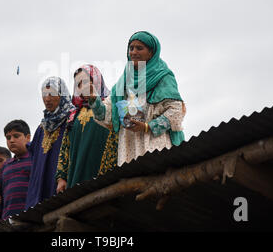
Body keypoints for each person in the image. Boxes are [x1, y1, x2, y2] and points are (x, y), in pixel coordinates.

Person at [88, 31, 186, 166]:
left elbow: (176, 111)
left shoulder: (163, 77)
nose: (133, 52)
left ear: (151, 52)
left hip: (154, 144)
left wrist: (147, 126)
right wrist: (94, 100)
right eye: (131, 48)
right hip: (128, 148)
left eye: (139, 48)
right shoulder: (123, 81)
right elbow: (108, 115)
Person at [55, 65, 118, 193]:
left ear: (96, 81)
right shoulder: (73, 115)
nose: (82, 88)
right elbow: (65, 148)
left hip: (103, 172)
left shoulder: (110, 106)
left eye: (85, 82)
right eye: (78, 85)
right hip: (76, 174)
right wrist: (61, 178)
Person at [25, 77, 75, 210]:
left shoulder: (72, 119)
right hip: (40, 190)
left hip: (62, 185)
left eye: (52, 94)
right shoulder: (42, 127)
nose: (47, 99)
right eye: (44, 95)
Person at [0, 120, 32, 221]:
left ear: (28, 137)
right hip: (8, 220)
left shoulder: (36, 159)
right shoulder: (6, 166)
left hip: (31, 216)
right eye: (8, 137)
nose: (11, 140)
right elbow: (0, 196)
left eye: (16, 136)